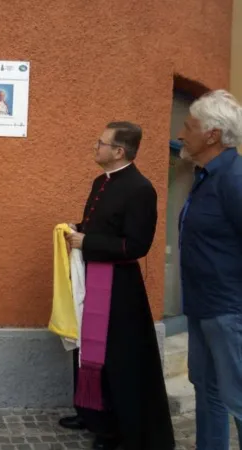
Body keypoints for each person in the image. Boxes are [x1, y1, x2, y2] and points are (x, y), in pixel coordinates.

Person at [61, 122, 174, 450]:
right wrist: (77, 229)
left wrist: (88, 240)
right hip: (91, 278)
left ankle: (114, 429)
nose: (96, 147)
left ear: (119, 151)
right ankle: (91, 414)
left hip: (119, 288)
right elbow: (102, 226)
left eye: (101, 143)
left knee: (115, 358)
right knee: (87, 349)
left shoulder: (141, 189)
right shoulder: (101, 181)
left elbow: (136, 245)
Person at [177, 89, 242, 450]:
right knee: (208, 390)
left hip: (229, 311)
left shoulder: (234, 178)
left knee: (238, 398)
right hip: (201, 308)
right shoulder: (205, 177)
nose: (182, 134)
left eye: (189, 126)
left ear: (212, 135)